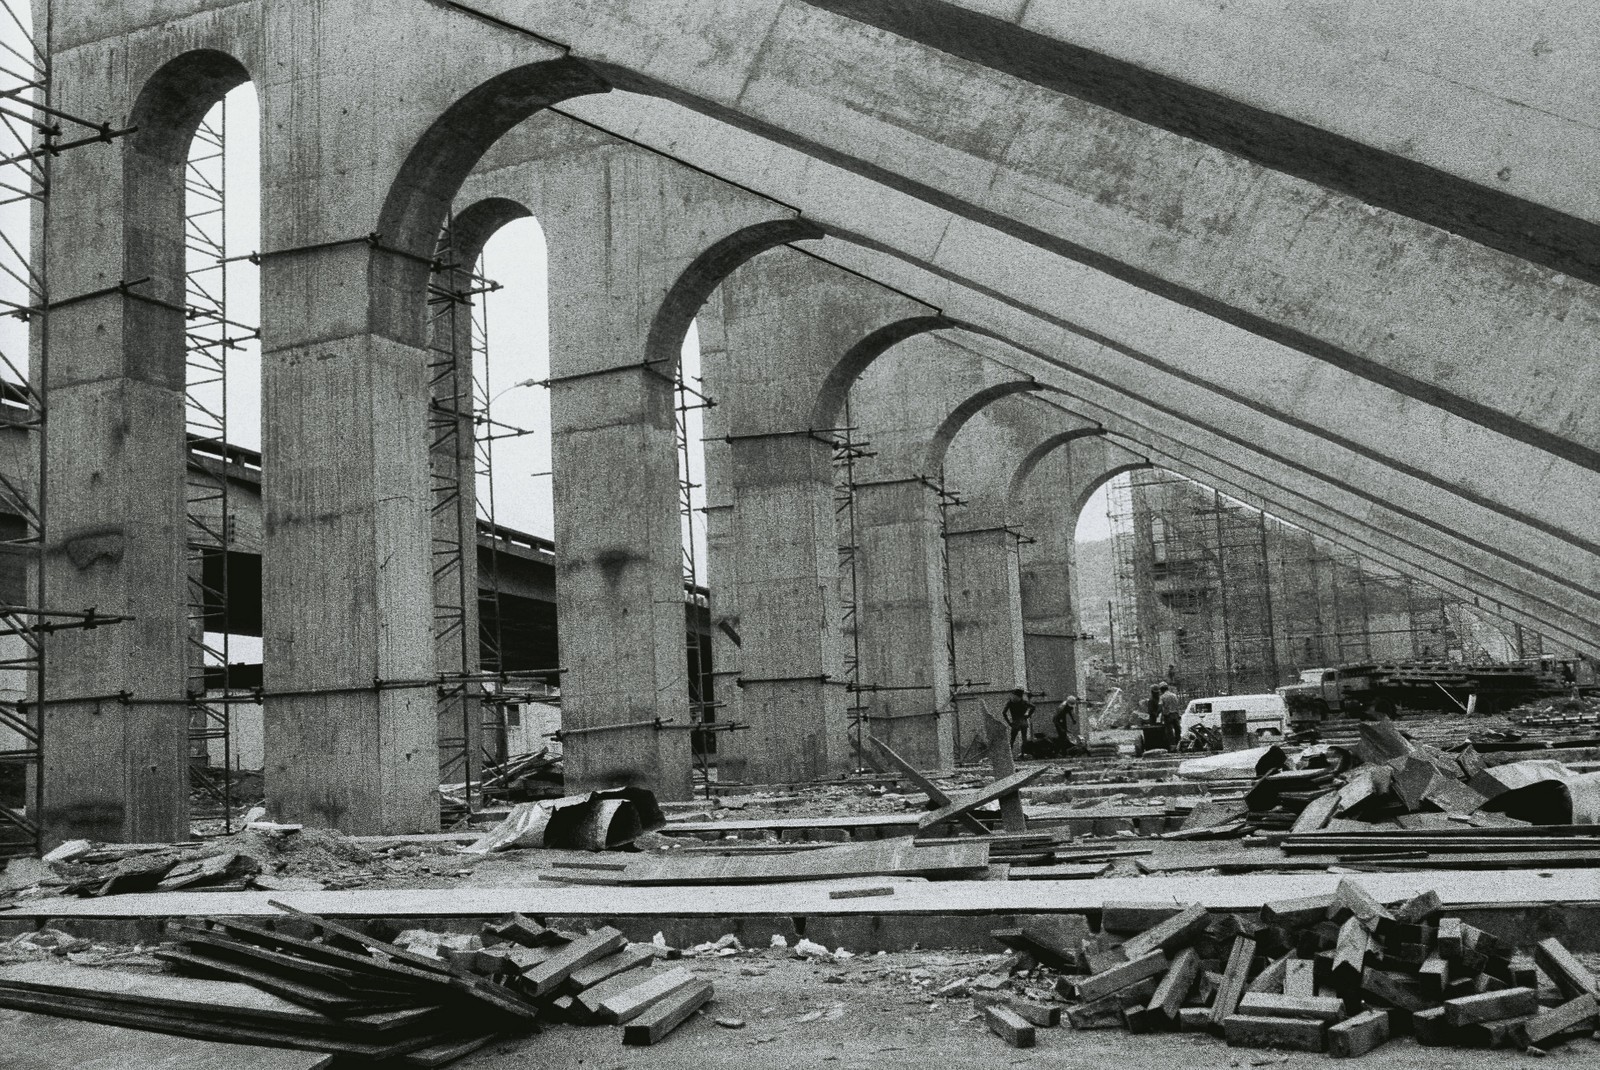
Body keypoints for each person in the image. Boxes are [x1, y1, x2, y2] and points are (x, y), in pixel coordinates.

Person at [1001, 688, 1034, 755]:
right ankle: (1022, 754)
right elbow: (1033, 707)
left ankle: (1009, 755)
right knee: (1024, 738)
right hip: (1024, 721)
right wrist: (1028, 716)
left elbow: (1004, 713)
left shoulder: (1010, 702)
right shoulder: (1024, 702)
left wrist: (1009, 723)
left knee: (1012, 739)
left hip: (1015, 722)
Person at [1158, 682, 1182, 748]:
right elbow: (1177, 705)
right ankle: (1179, 743)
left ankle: (1172, 746)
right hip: (1176, 714)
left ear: (1161, 689)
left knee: (1169, 731)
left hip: (1168, 715)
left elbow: (1160, 706)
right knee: (1177, 730)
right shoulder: (1174, 695)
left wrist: (1159, 715)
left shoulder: (1162, 697)